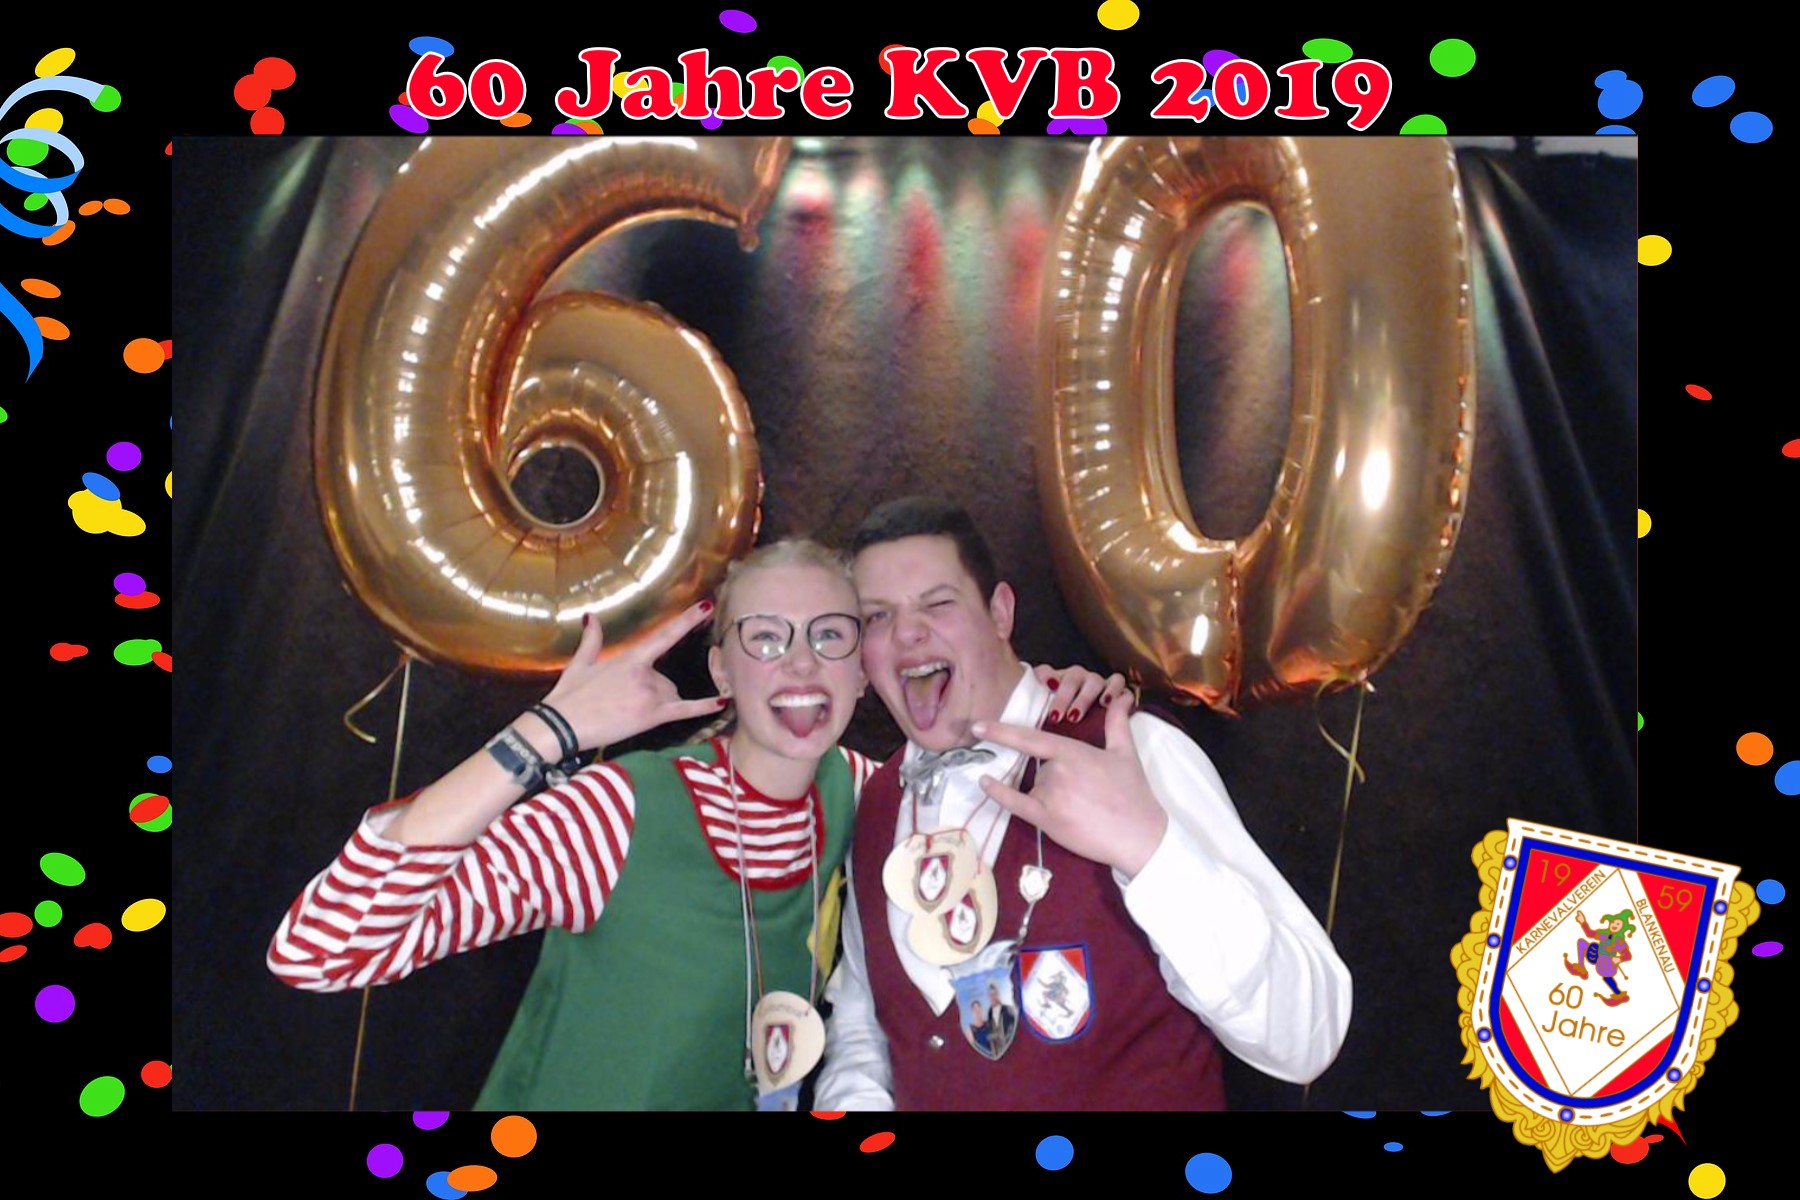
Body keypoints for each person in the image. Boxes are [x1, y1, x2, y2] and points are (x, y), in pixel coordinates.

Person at [267, 538, 1120, 1110]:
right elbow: (319, 951)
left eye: (830, 635)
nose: (799, 663)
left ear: (862, 670)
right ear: (720, 669)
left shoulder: (876, 801)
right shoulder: (612, 815)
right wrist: (547, 734)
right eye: (764, 637)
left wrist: (1055, 693)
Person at [816, 498, 1355, 1111]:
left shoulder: (1133, 750)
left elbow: (1308, 1037)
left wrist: (1150, 849)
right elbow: (864, 1029)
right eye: (877, 617)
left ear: (999, 613)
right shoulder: (875, 802)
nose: (907, 633)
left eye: (937, 603)